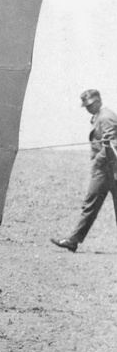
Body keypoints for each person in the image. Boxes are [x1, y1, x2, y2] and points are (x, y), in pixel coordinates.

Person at [52, 89, 117, 253]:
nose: (88, 108)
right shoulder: (99, 116)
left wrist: (97, 162)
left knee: (91, 204)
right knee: (90, 205)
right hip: (105, 171)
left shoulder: (107, 116)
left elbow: (111, 145)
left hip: (109, 170)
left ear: (98, 101)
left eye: (90, 104)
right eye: (86, 106)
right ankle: (73, 240)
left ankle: (73, 240)